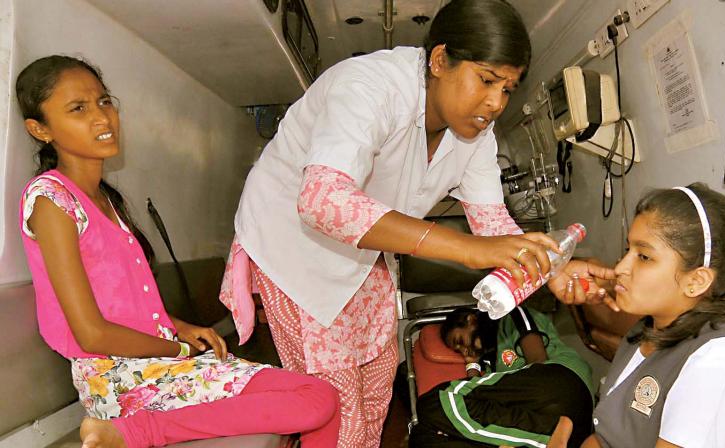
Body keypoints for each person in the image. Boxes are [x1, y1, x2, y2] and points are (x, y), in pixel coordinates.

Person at [218, 1, 614, 446]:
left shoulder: (478, 133)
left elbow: (492, 226)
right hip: (292, 249)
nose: (496, 102)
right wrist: (465, 249)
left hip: (363, 252)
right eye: (486, 80)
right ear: (440, 60)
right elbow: (323, 201)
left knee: (376, 389)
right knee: (335, 411)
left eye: (508, 88)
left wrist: (555, 269)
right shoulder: (369, 86)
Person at [16, 55, 341, 448]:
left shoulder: (105, 200)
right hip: (117, 379)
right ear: (40, 129)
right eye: (78, 109)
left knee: (317, 399)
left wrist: (179, 326)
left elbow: (121, 303)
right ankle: (135, 432)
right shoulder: (51, 199)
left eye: (104, 101)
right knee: (317, 398)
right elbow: (90, 332)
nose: (102, 117)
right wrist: (179, 347)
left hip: (151, 366)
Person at [561, 183, 725, 448]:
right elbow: (604, 439)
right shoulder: (644, 331)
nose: (621, 267)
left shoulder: (720, 360)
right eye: (628, 251)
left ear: (696, 280)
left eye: (644, 256)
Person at [410, 305, 594, 448]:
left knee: (435, 401)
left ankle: (548, 433)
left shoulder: (511, 315)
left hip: (562, 383)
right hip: (567, 432)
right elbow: (480, 400)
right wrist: (473, 363)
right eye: (459, 351)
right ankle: (544, 437)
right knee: (422, 437)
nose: (465, 350)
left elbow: (538, 361)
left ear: (471, 320)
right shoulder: (492, 365)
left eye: (460, 341)